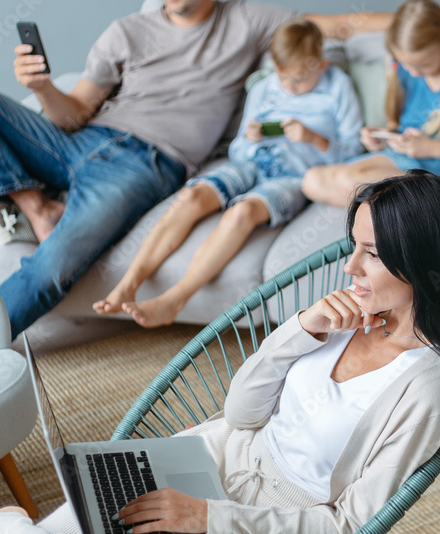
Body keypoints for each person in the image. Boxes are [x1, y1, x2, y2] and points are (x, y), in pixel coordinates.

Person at [0, 171, 440, 534]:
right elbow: (242, 413)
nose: (349, 266)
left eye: (372, 254)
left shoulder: (430, 385)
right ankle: (10, 531)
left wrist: (209, 517)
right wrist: (300, 330)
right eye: (351, 246)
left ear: (423, 262)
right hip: (203, 457)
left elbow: (346, 527)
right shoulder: (343, 316)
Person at [0, 0, 440, 340]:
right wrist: (41, 88)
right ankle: (33, 201)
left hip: (144, 165)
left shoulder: (248, 21)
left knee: (50, 269)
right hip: (77, 141)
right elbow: (74, 113)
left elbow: (340, 24)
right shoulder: (126, 30)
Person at [91, 18, 362, 327]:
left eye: (299, 80)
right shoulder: (263, 88)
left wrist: (314, 139)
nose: (289, 87)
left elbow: (353, 152)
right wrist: (250, 138)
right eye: (283, 77)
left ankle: (173, 300)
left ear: (321, 65)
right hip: (251, 163)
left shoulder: (338, 87)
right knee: (191, 197)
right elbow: (238, 150)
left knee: (241, 213)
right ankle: (128, 284)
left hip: (294, 176)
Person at [302, 0, 440, 228]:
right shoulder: (406, 71)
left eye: (423, 65)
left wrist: (429, 147)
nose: (413, 72)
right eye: (407, 64)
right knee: (312, 181)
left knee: (350, 181)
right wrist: (385, 136)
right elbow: (404, 124)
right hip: (406, 158)